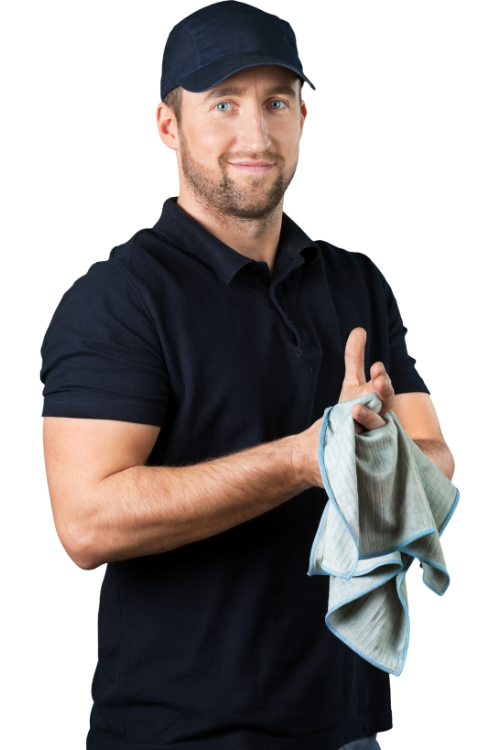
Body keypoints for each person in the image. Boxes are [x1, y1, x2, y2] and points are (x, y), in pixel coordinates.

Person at [40, 3, 454, 749]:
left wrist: (372, 453)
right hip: (179, 733)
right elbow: (87, 523)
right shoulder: (119, 297)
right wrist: (302, 460)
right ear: (168, 125)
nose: (256, 136)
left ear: (303, 119)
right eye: (224, 104)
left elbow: (438, 463)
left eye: (277, 104)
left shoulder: (357, 281)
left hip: (348, 727)